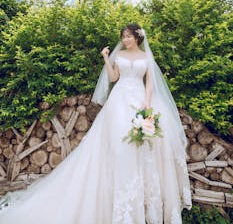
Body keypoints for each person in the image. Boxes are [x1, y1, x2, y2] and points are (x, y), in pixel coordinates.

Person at [0, 23, 192, 224]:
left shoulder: (147, 58)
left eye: (128, 36)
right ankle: (116, 200)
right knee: (118, 146)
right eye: (123, 36)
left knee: (141, 147)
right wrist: (106, 58)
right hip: (118, 102)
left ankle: (141, 205)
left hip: (138, 100)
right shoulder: (120, 56)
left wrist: (146, 105)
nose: (125, 40)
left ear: (137, 37)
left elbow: (150, 84)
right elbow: (114, 77)